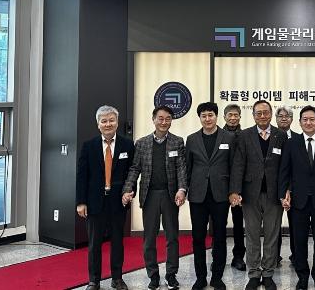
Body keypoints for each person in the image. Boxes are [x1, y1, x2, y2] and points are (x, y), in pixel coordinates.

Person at [122, 106, 187, 290]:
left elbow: (181, 168)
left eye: (168, 119)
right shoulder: (142, 143)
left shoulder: (177, 142)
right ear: (153, 119)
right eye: (160, 118)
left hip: (170, 195)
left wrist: (182, 189)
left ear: (171, 120)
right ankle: (153, 275)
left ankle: (171, 274)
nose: (164, 122)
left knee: (172, 237)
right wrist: (128, 189)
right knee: (149, 238)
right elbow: (135, 168)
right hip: (149, 195)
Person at [229, 100, 286, 290]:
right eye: (258, 113)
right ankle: (253, 273)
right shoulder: (244, 135)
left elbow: (285, 166)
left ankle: (268, 273)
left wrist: (286, 190)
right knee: (252, 235)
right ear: (253, 115)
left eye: (266, 112)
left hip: (274, 194)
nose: (262, 116)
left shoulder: (280, 135)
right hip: (250, 194)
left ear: (271, 114)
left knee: (272, 236)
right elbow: (238, 164)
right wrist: (235, 191)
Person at [76, 105, 135, 290]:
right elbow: (82, 176)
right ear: (98, 124)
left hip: (118, 201)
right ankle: (94, 280)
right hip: (94, 202)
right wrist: (81, 202)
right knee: (94, 244)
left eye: (111, 120)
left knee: (117, 242)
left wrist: (129, 191)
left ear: (117, 122)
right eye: (104, 121)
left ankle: (117, 278)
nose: (108, 124)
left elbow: (132, 172)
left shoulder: (127, 145)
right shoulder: (89, 146)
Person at [279, 105, 315, 290]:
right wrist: (283, 194)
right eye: (305, 119)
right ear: (300, 122)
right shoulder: (291, 143)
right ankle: (302, 277)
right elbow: (284, 172)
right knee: (299, 241)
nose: (308, 122)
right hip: (298, 201)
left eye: (312, 119)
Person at [186, 102, 236, 290]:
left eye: (211, 115)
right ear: (200, 118)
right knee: (198, 237)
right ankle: (200, 277)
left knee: (220, 236)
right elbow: (188, 167)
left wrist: (233, 191)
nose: (207, 119)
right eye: (204, 116)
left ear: (216, 116)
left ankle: (217, 277)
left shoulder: (229, 138)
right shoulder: (192, 139)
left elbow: (234, 166)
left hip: (220, 194)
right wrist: (185, 189)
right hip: (198, 195)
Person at [222, 104, 246, 272]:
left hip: (239, 187)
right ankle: (218, 257)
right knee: (219, 224)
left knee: (239, 223)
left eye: (235, 115)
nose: (232, 118)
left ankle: (238, 257)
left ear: (239, 117)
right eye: (229, 115)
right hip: (220, 186)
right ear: (224, 117)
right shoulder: (218, 135)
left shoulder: (245, 136)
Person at [275, 105, 299, 266]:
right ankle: (274, 256)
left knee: (296, 224)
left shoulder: (298, 138)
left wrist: (289, 187)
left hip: (295, 187)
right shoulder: (270, 136)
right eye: (281, 116)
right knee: (274, 225)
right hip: (274, 187)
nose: (284, 118)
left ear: (292, 119)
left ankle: (296, 255)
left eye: (287, 116)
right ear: (276, 119)